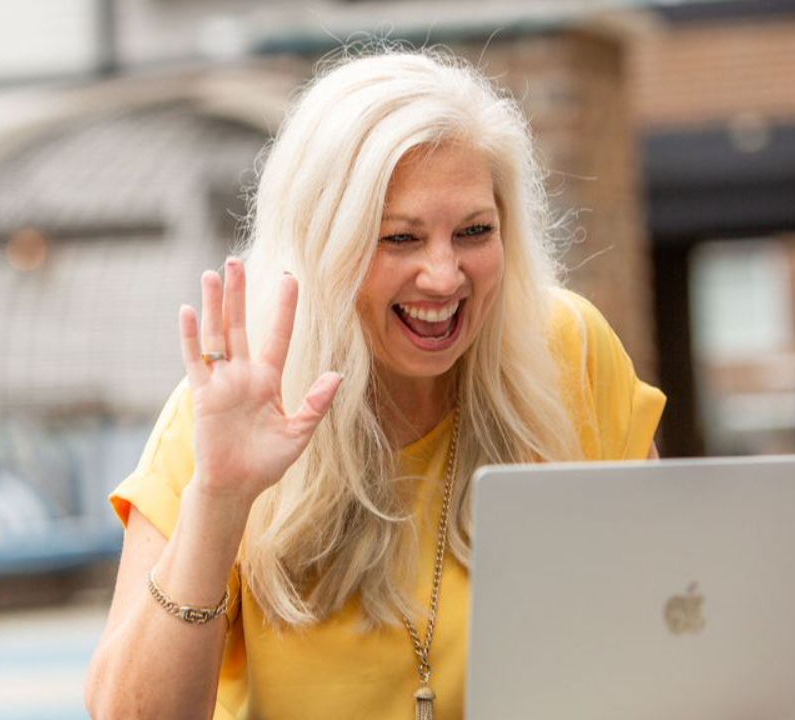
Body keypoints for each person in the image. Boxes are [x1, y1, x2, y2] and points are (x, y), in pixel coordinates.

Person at [84, 48, 665, 720]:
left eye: (474, 231)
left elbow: (676, 612)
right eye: (400, 239)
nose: (444, 276)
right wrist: (219, 500)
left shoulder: (568, 348)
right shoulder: (225, 410)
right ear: (321, 249)